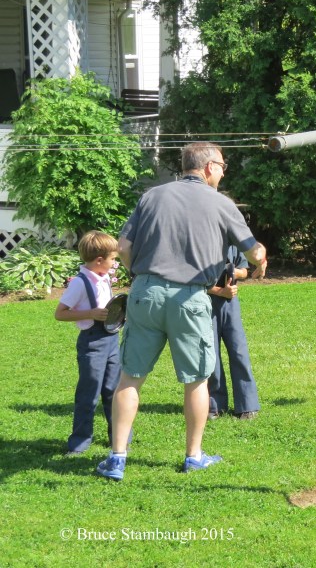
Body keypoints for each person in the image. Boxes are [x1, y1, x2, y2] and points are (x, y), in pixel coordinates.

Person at [96, 142, 268, 481]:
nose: (223, 170)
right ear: (207, 168)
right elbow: (253, 253)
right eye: (221, 165)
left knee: (130, 377)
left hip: (144, 293)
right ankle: (193, 456)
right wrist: (261, 260)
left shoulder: (152, 196)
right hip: (190, 298)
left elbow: (124, 247)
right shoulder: (222, 203)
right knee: (196, 380)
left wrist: (141, 276)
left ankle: (117, 458)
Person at [55, 231, 121, 455]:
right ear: (99, 260)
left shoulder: (103, 277)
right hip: (92, 343)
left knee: (114, 390)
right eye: (113, 259)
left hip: (112, 340)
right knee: (88, 393)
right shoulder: (80, 284)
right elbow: (60, 314)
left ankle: (119, 438)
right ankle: (79, 443)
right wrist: (90, 313)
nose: (115, 263)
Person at [207, 245, 260, 420]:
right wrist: (220, 291)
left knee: (239, 351)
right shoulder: (199, 240)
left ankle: (247, 405)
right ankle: (215, 405)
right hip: (206, 304)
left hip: (231, 304)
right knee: (211, 354)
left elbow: (245, 270)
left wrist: (235, 273)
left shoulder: (232, 245)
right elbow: (191, 281)